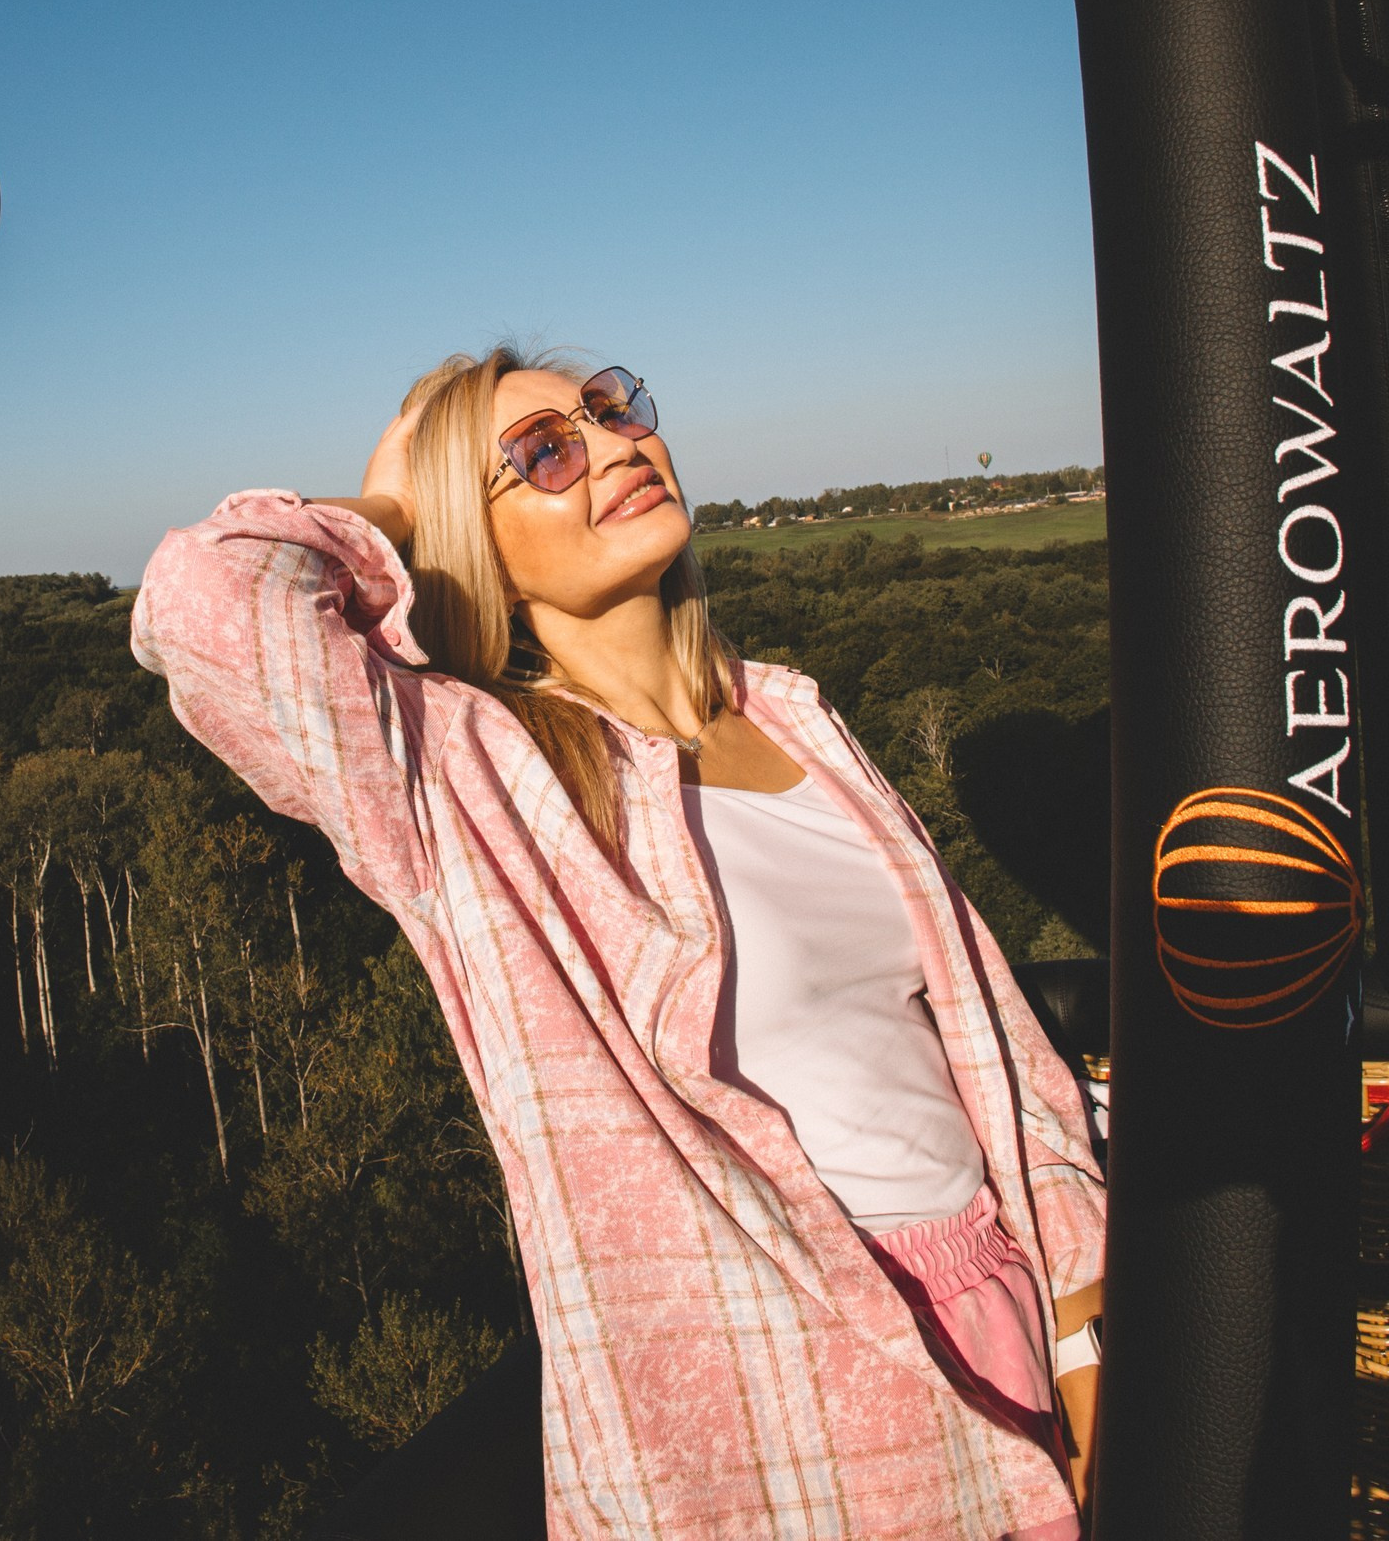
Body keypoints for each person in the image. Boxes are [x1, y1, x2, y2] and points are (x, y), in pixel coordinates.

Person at [131, 347, 1105, 1541]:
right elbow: (205, 607)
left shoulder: (795, 717)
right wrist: (390, 502)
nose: (608, 444)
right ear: (469, 542)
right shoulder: (464, 780)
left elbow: (988, 1049)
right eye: (540, 451)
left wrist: (1081, 1313)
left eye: (607, 409)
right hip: (786, 1420)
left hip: (1006, 1315)